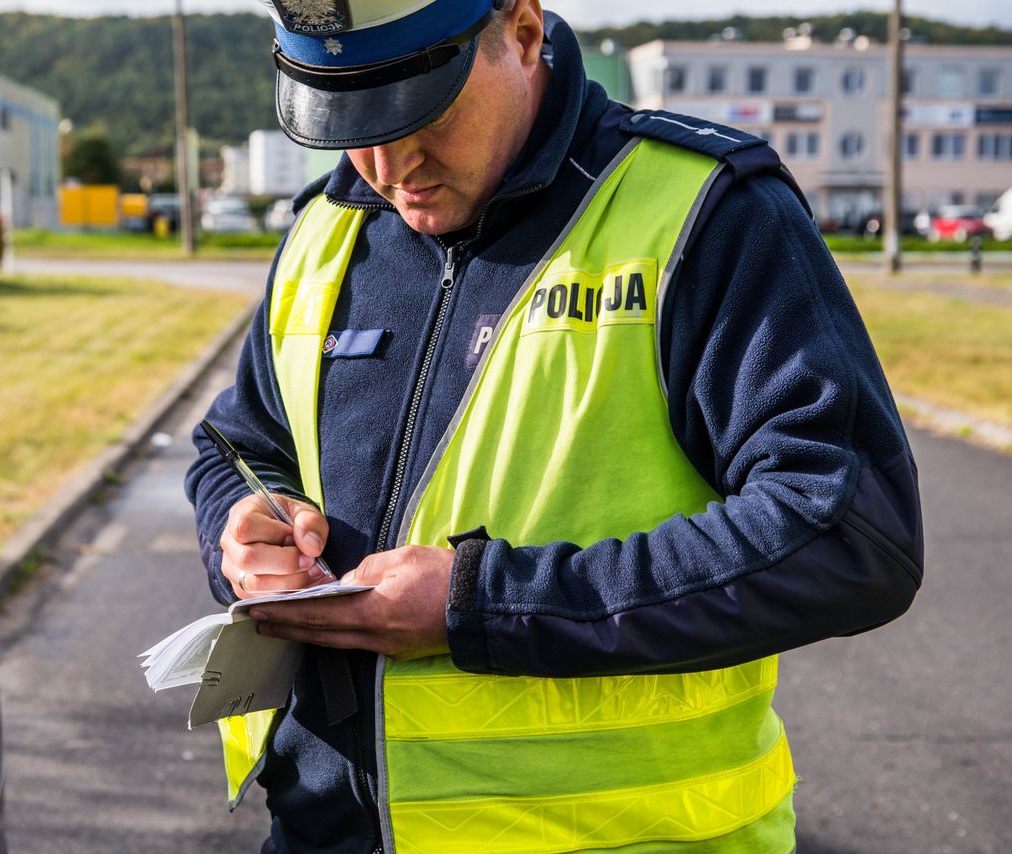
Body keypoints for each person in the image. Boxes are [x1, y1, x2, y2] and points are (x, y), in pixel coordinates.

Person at [185, 1, 923, 851]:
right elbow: (236, 446)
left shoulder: (706, 212)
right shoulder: (328, 227)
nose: (391, 164)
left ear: (524, 30)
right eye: (353, 120)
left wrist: (484, 603)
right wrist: (241, 528)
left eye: (421, 111)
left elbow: (854, 533)